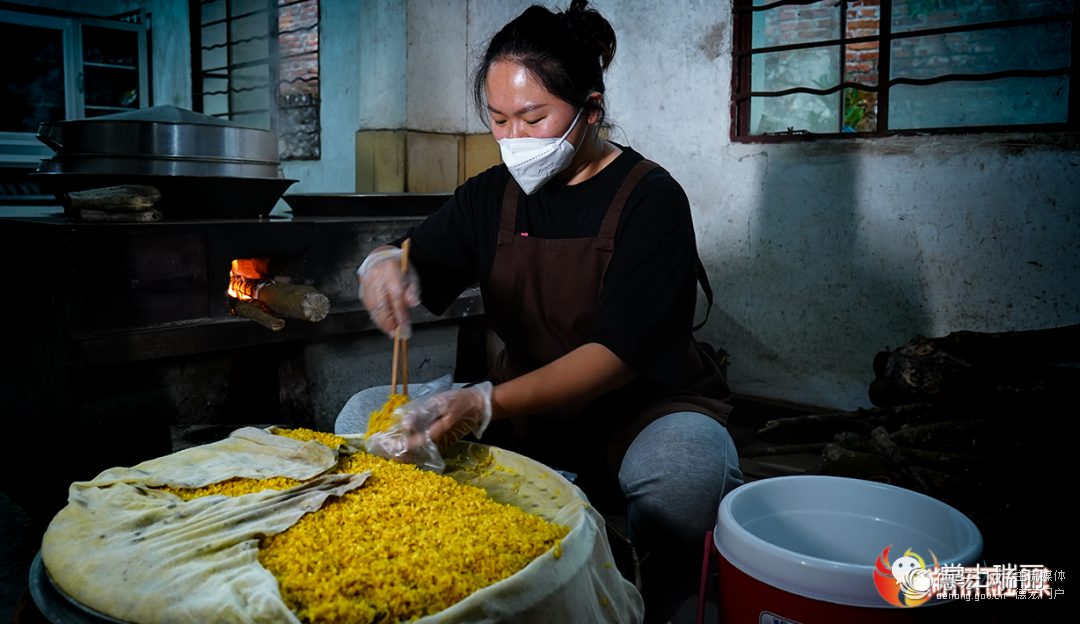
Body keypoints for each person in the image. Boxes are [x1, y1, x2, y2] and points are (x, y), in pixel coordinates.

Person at [350, 1, 743, 620]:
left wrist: (482, 403)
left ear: (589, 109)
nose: (513, 141)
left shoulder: (651, 200)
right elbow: (413, 258)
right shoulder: (491, 196)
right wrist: (382, 267)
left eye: (534, 118)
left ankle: (670, 604)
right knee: (366, 414)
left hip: (638, 412)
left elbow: (619, 356)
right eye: (499, 120)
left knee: (685, 473)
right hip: (525, 413)